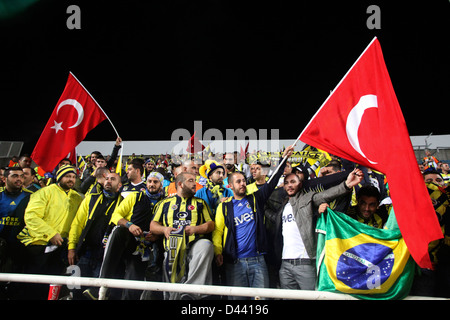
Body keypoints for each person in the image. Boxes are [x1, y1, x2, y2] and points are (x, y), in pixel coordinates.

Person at [212, 146, 294, 299]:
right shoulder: (224, 206)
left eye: (243, 180)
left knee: (261, 299)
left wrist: (284, 159)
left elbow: (272, 182)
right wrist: (217, 252)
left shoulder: (256, 198)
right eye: (238, 182)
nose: (242, 183)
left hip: (258, 261)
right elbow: (218, 231)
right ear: (230, 186)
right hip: (234, 263)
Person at [270, 167, 363, 291]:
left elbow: (325, 195)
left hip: (305, 264)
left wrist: (346, 185)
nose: (289, 185)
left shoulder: (307, 199)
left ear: (300, 184)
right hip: (285, 265)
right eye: (286, 183)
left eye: (293, 182)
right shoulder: (283, 207)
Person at [96, 171, 165, 300]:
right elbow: (115, 216)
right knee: (118, 231)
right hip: (131, 239)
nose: (151, 184)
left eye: (155, 182)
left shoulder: (166, 202)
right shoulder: (135, 196)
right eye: (149, 181)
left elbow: (168, 225)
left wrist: (157, 235)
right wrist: (129, 225)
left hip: (150, 248)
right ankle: (103, 282)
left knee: (133, 285)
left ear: (161, 185)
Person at [17, 165, 83, 299]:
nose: (71, 180)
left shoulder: (77, 197)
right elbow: (31, 216)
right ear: (59, 178)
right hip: (39, 245)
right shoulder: (44, 192)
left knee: (54, 286)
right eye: (67, 176)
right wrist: (50, 234)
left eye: (73, 177)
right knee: (34, 286)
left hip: (61, 247)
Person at [150, 172, 215, 300]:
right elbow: (153, 225)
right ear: (180, 184)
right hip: (173, 247)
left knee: (206, 245)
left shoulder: (201, 203)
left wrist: (196, 229)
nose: (194, 184)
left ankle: (190, 293)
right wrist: (164, 229)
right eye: (191, 180)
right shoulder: (165, 203)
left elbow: (211, 224)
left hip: (195, 245)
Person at [68, 172, 123, 299]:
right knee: (76, 292)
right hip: (84, 254)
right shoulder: (91, 198)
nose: (108, 181)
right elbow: (77, 223)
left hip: (104, 258)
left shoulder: (124, 203)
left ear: (119, 185)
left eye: (112, 179)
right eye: (107, 178)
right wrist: (72, 247)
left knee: (96, 295)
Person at [0, 167, 33, 298]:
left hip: (20, 247)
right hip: (1, 245)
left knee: (17, 285)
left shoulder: (31, 197)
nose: (19, 179)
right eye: (14, 176)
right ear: (4, 179)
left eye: (21, 176)